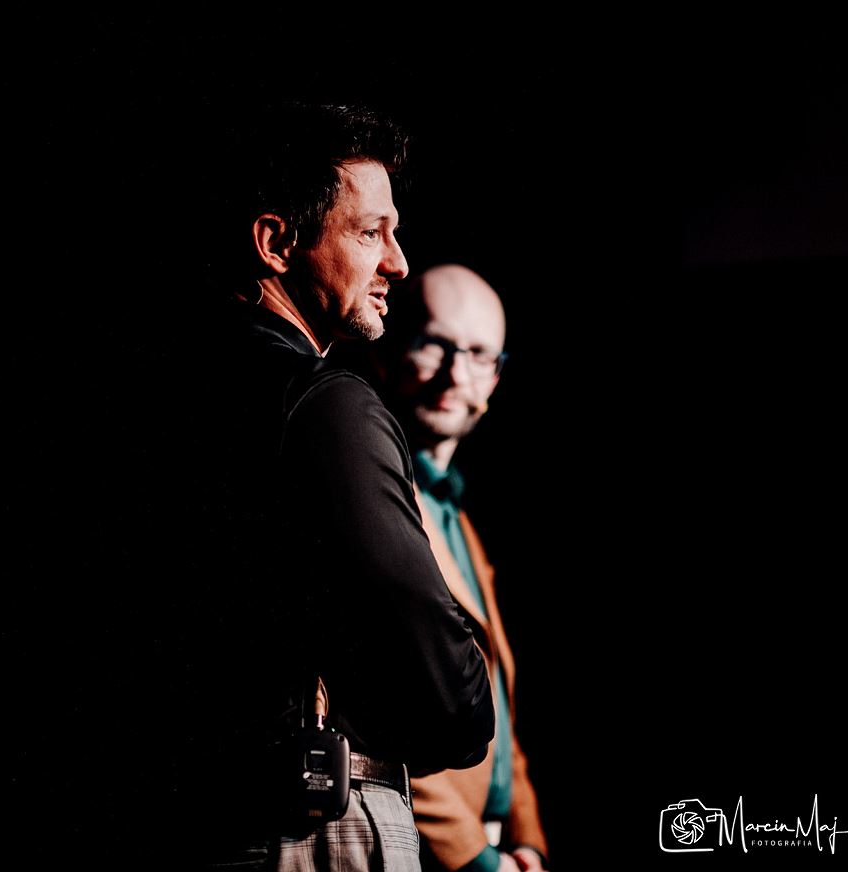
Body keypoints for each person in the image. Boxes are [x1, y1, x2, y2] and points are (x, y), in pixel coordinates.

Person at [159, 105, 495, 871]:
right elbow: (449, 699)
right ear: (276, 243)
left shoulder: (169, 389)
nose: (398, 262)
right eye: (371, 232)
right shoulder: (323, 403)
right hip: (314, 829)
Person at [377, 264, 548, 871]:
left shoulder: (462, 522)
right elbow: (375, 715)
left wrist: (528, 840)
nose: (456, 374)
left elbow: (501, 701)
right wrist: (478, 860)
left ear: (496, 375)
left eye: (478, 355)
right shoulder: (371, 502)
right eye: (436, 345)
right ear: (390, 349)